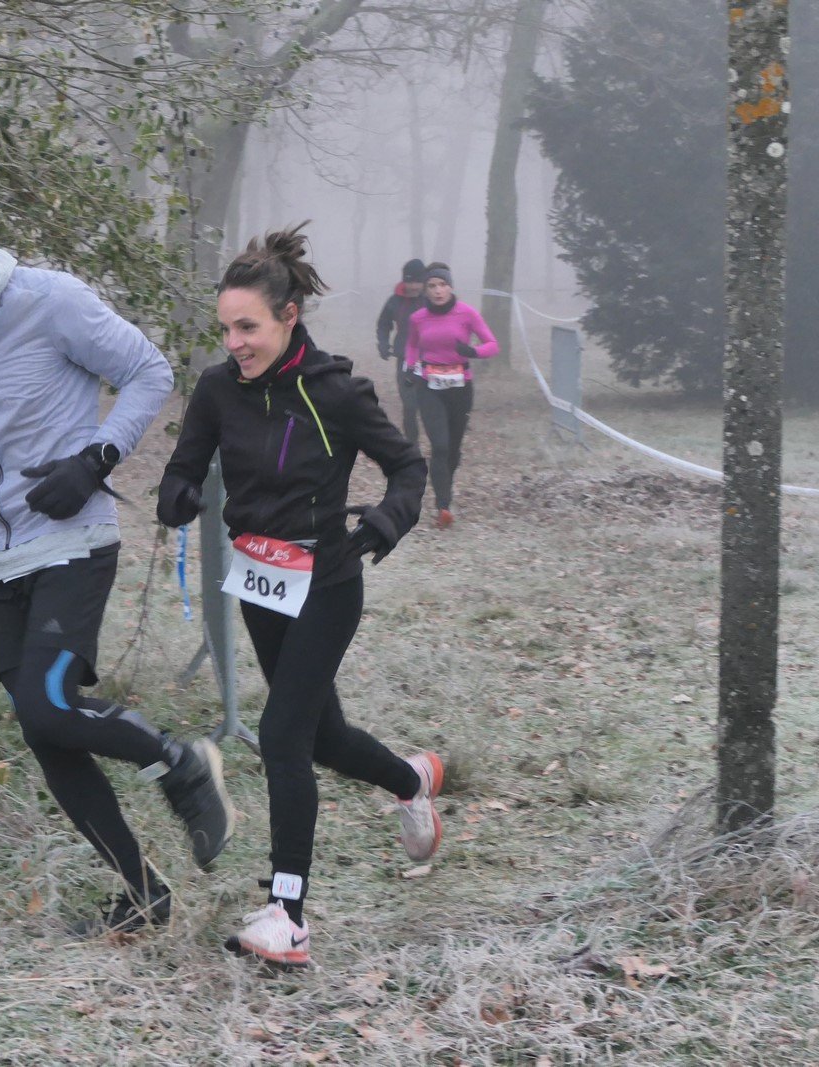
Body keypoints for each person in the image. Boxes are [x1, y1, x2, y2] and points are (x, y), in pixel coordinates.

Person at [0, 195, 233, 936]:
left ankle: (180, 764)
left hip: (74, 539)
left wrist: (93, 460)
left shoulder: (50, 301)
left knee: (48, 705)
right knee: (46, 737)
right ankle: (142, 894)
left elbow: (148, 371)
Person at [156, 224, 444, 969]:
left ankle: (288, 915)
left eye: (247, 327)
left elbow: (409, 467)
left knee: (282, 732)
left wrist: (385, 522)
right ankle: (410, 779)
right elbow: (184, 465)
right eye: (226, 329)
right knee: (322, 735)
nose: (235, 343)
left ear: (288, 317)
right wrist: (177, 493)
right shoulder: (218, 388)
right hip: (261, 583)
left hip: (327, 582)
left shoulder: (336, 391)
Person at [402, 263, 499, 528]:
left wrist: (473, 352)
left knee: (453, 448)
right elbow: (412, 345)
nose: (438, 291)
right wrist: (410, 367)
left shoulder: (466, 313)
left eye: (442, 285)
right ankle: (443, 506)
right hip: (429, 387)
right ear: (425, 290)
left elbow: (492, 345)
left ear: (451, 287)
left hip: (460, 388)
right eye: (432, 286)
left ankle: (445, 486)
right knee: (440, 446)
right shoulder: (418, 318)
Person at [374, 258, 427, 443]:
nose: (413, 287)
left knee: (428, 404)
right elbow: (383, 324)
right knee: (409, 405)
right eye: (409, 282)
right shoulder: (395, 300)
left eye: (418, 282)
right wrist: (383, 343)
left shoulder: (432, 299)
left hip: (432, 359)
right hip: (405, 359)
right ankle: (412, 444)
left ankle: (440, 444)